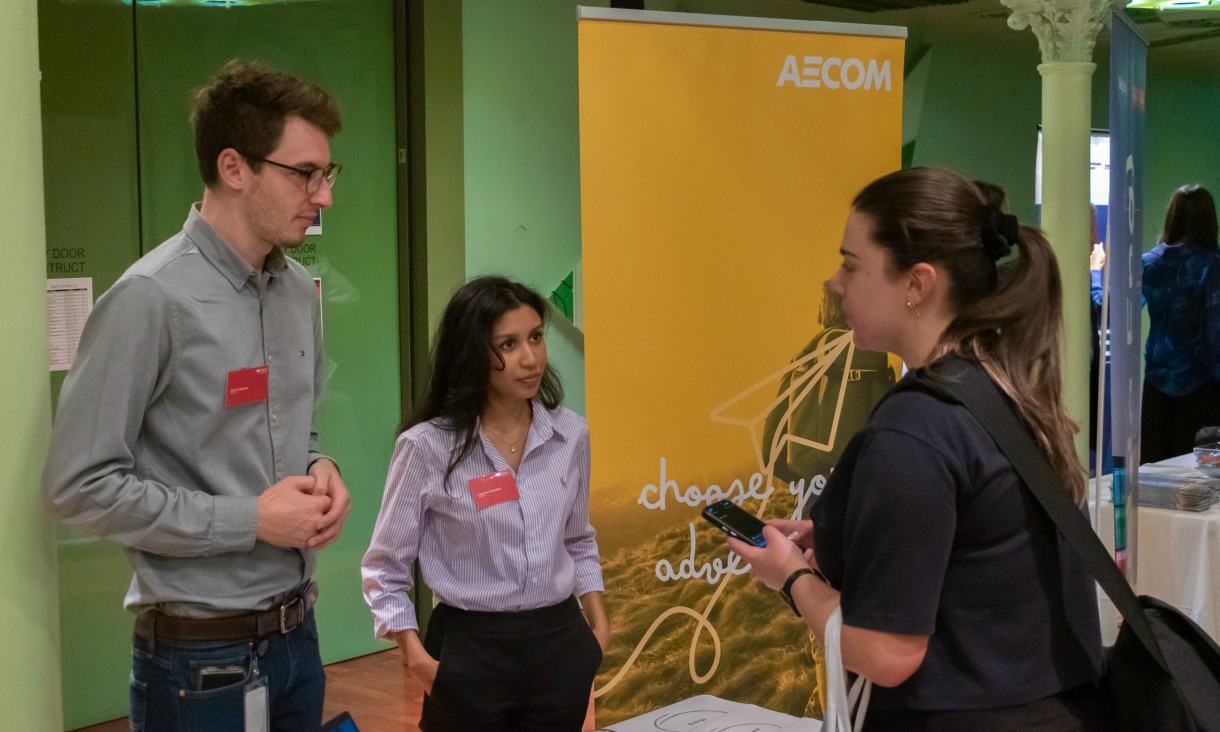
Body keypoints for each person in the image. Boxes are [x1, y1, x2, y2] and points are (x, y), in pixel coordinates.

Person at [728, 168, 1108, 730]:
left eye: (852, 266)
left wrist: (791, 578)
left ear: (917, 284)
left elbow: (886, 655)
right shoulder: (1005, 388)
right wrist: (843, 537)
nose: (835, 284)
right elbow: (976, 555)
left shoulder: (913, 430)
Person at [43, 59, 350, 731]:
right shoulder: (149, 298)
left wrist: (321, 468)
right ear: (235, 167)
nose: (323, 196)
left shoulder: (299, 291)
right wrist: (251, 520)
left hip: (300, 638)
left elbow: (296, 429)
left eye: (327, 174)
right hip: (198, 666)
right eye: (305, 174)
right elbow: (79, 485)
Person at [361, 275, 609, 732]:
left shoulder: (571, 434)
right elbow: (385, 567)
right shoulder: (426, 447)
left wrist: (598, 630)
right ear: (472, 352)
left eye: (535, 337)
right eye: (508, 345)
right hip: (469, 648)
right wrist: (418, 661)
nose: (530, 358)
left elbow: (578, 538)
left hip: (560, 643)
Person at [1140, 184, 1220, 464]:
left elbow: (1120, 310)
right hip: (1203, 387)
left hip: (1155, 383)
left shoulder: (1148, 263)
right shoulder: (1213, 265)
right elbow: (1215, 334)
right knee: (1202, 477)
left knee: (1155, 470)